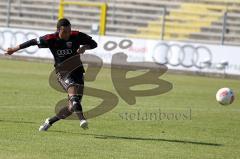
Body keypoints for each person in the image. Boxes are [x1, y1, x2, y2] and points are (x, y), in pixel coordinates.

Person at [4, 18, 97, 131]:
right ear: (58, 30)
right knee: (74, 96)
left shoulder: (76, 35)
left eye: (69, 31)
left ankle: (49, 121)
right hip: (63, 73)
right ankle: (82, 119)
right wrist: (14, 49)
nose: (67, 34)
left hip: (78, 71)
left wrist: (85, 47)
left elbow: (94, 43)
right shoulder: (50, 39)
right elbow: (32, 42)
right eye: (64, 32)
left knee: (71, 108)